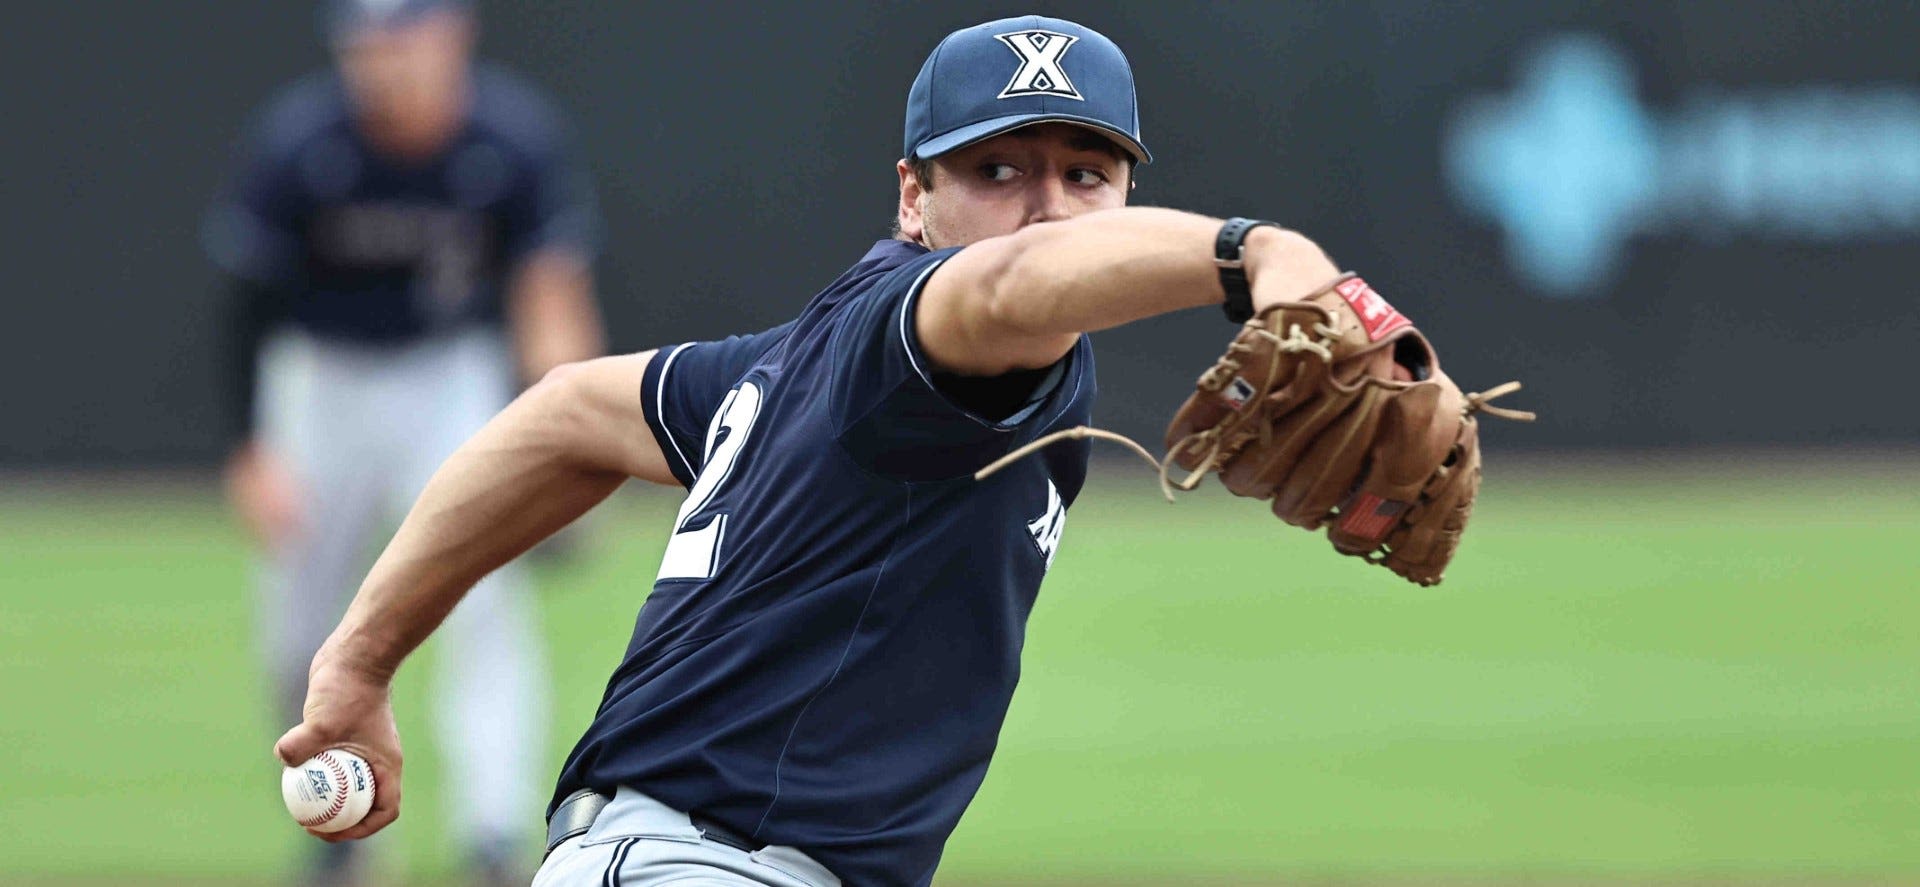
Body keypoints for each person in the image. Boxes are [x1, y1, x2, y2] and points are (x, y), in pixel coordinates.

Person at [274, 14, 1363, 887]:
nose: (1050, 210)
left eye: (1088, 173)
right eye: (997, 167)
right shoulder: (921, 336)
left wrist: (359, 659)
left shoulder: (802, 355)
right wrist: (1256, 253)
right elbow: (1011, 282)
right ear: (913, 196)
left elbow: (563, 411)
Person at [202, 0, 605, 884]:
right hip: (320, 382)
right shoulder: (303, 143)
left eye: (403, 38)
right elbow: (244, 306)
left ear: (452, 35)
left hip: (449, 376)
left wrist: (578, 443)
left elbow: (549, 296)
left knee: (483, 602)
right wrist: (250, 446)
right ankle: (342, 827)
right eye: (369, 44)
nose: (385, 61)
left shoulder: (510, 137)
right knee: (301, 623)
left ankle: (494, 833)